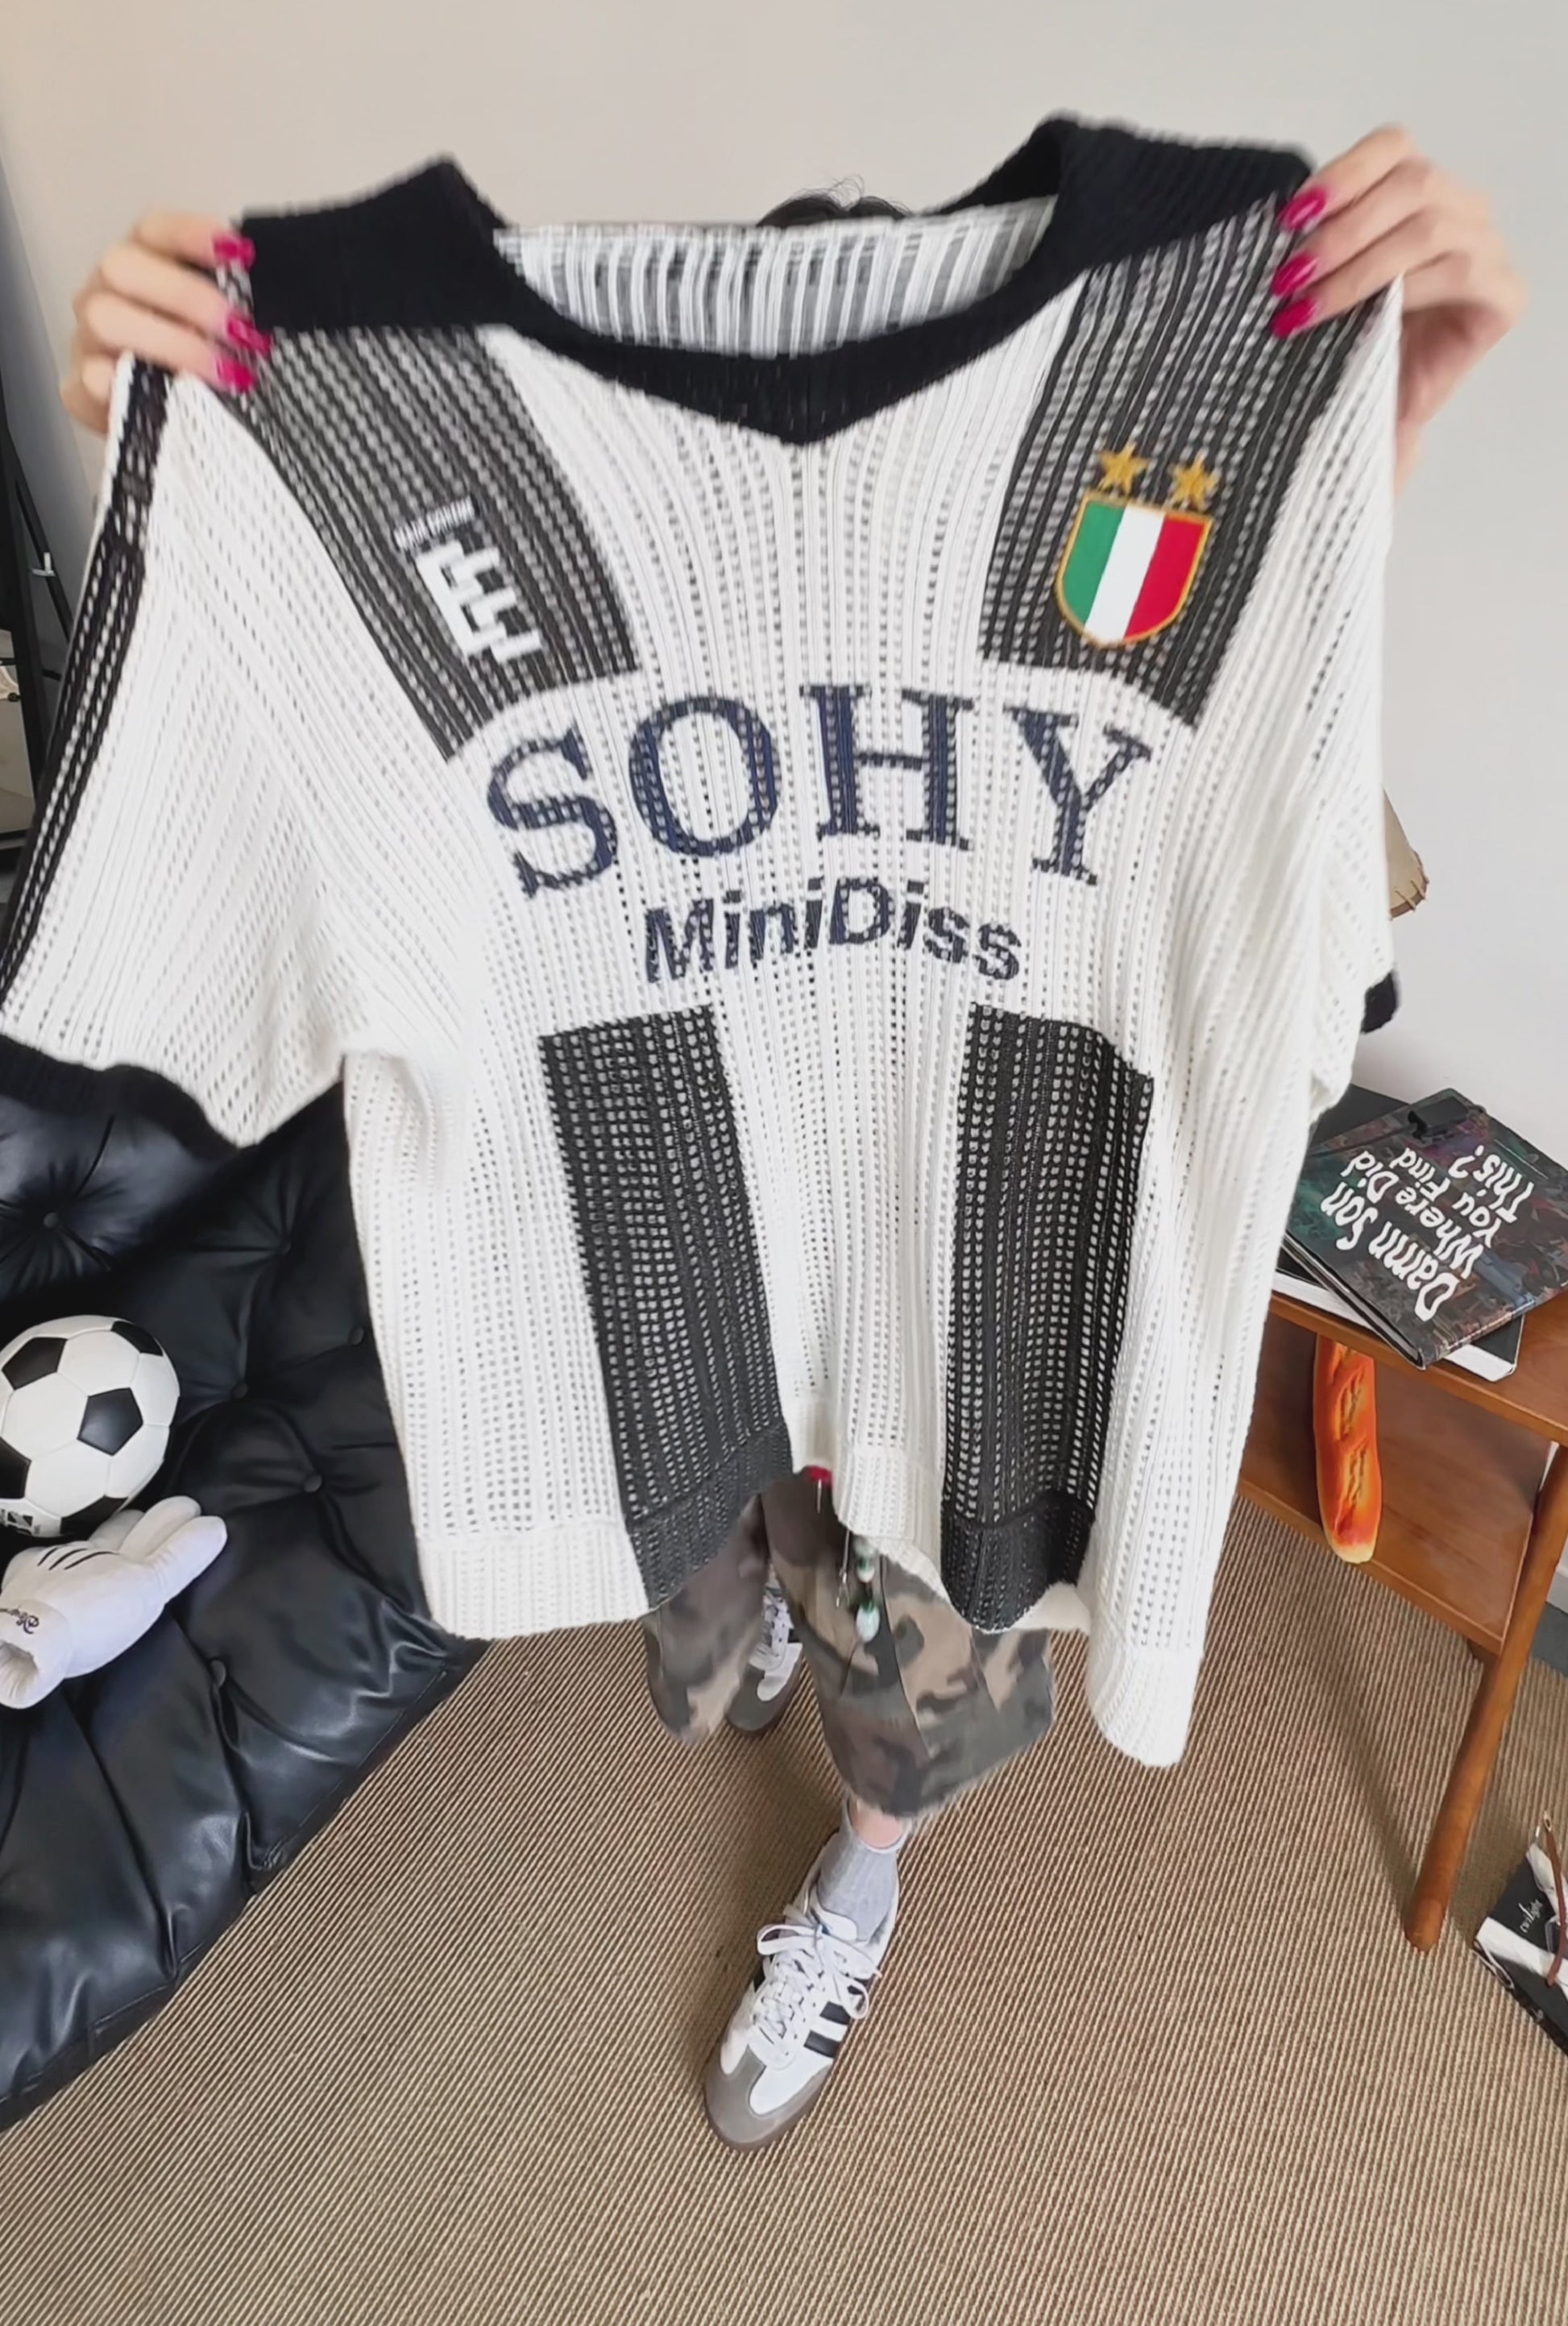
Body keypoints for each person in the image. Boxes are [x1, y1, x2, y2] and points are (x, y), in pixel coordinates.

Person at [59, 126, 1522, 2149]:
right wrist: (213, 521)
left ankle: (861, 1873)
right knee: (711, 1560)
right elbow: (208, 955)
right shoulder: (433, 509)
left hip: (977, 1305)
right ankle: (759, 1601)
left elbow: (1296, 956)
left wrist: (1346, 477)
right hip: (657, 1280)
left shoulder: (1169, 516)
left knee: (912, 1680)